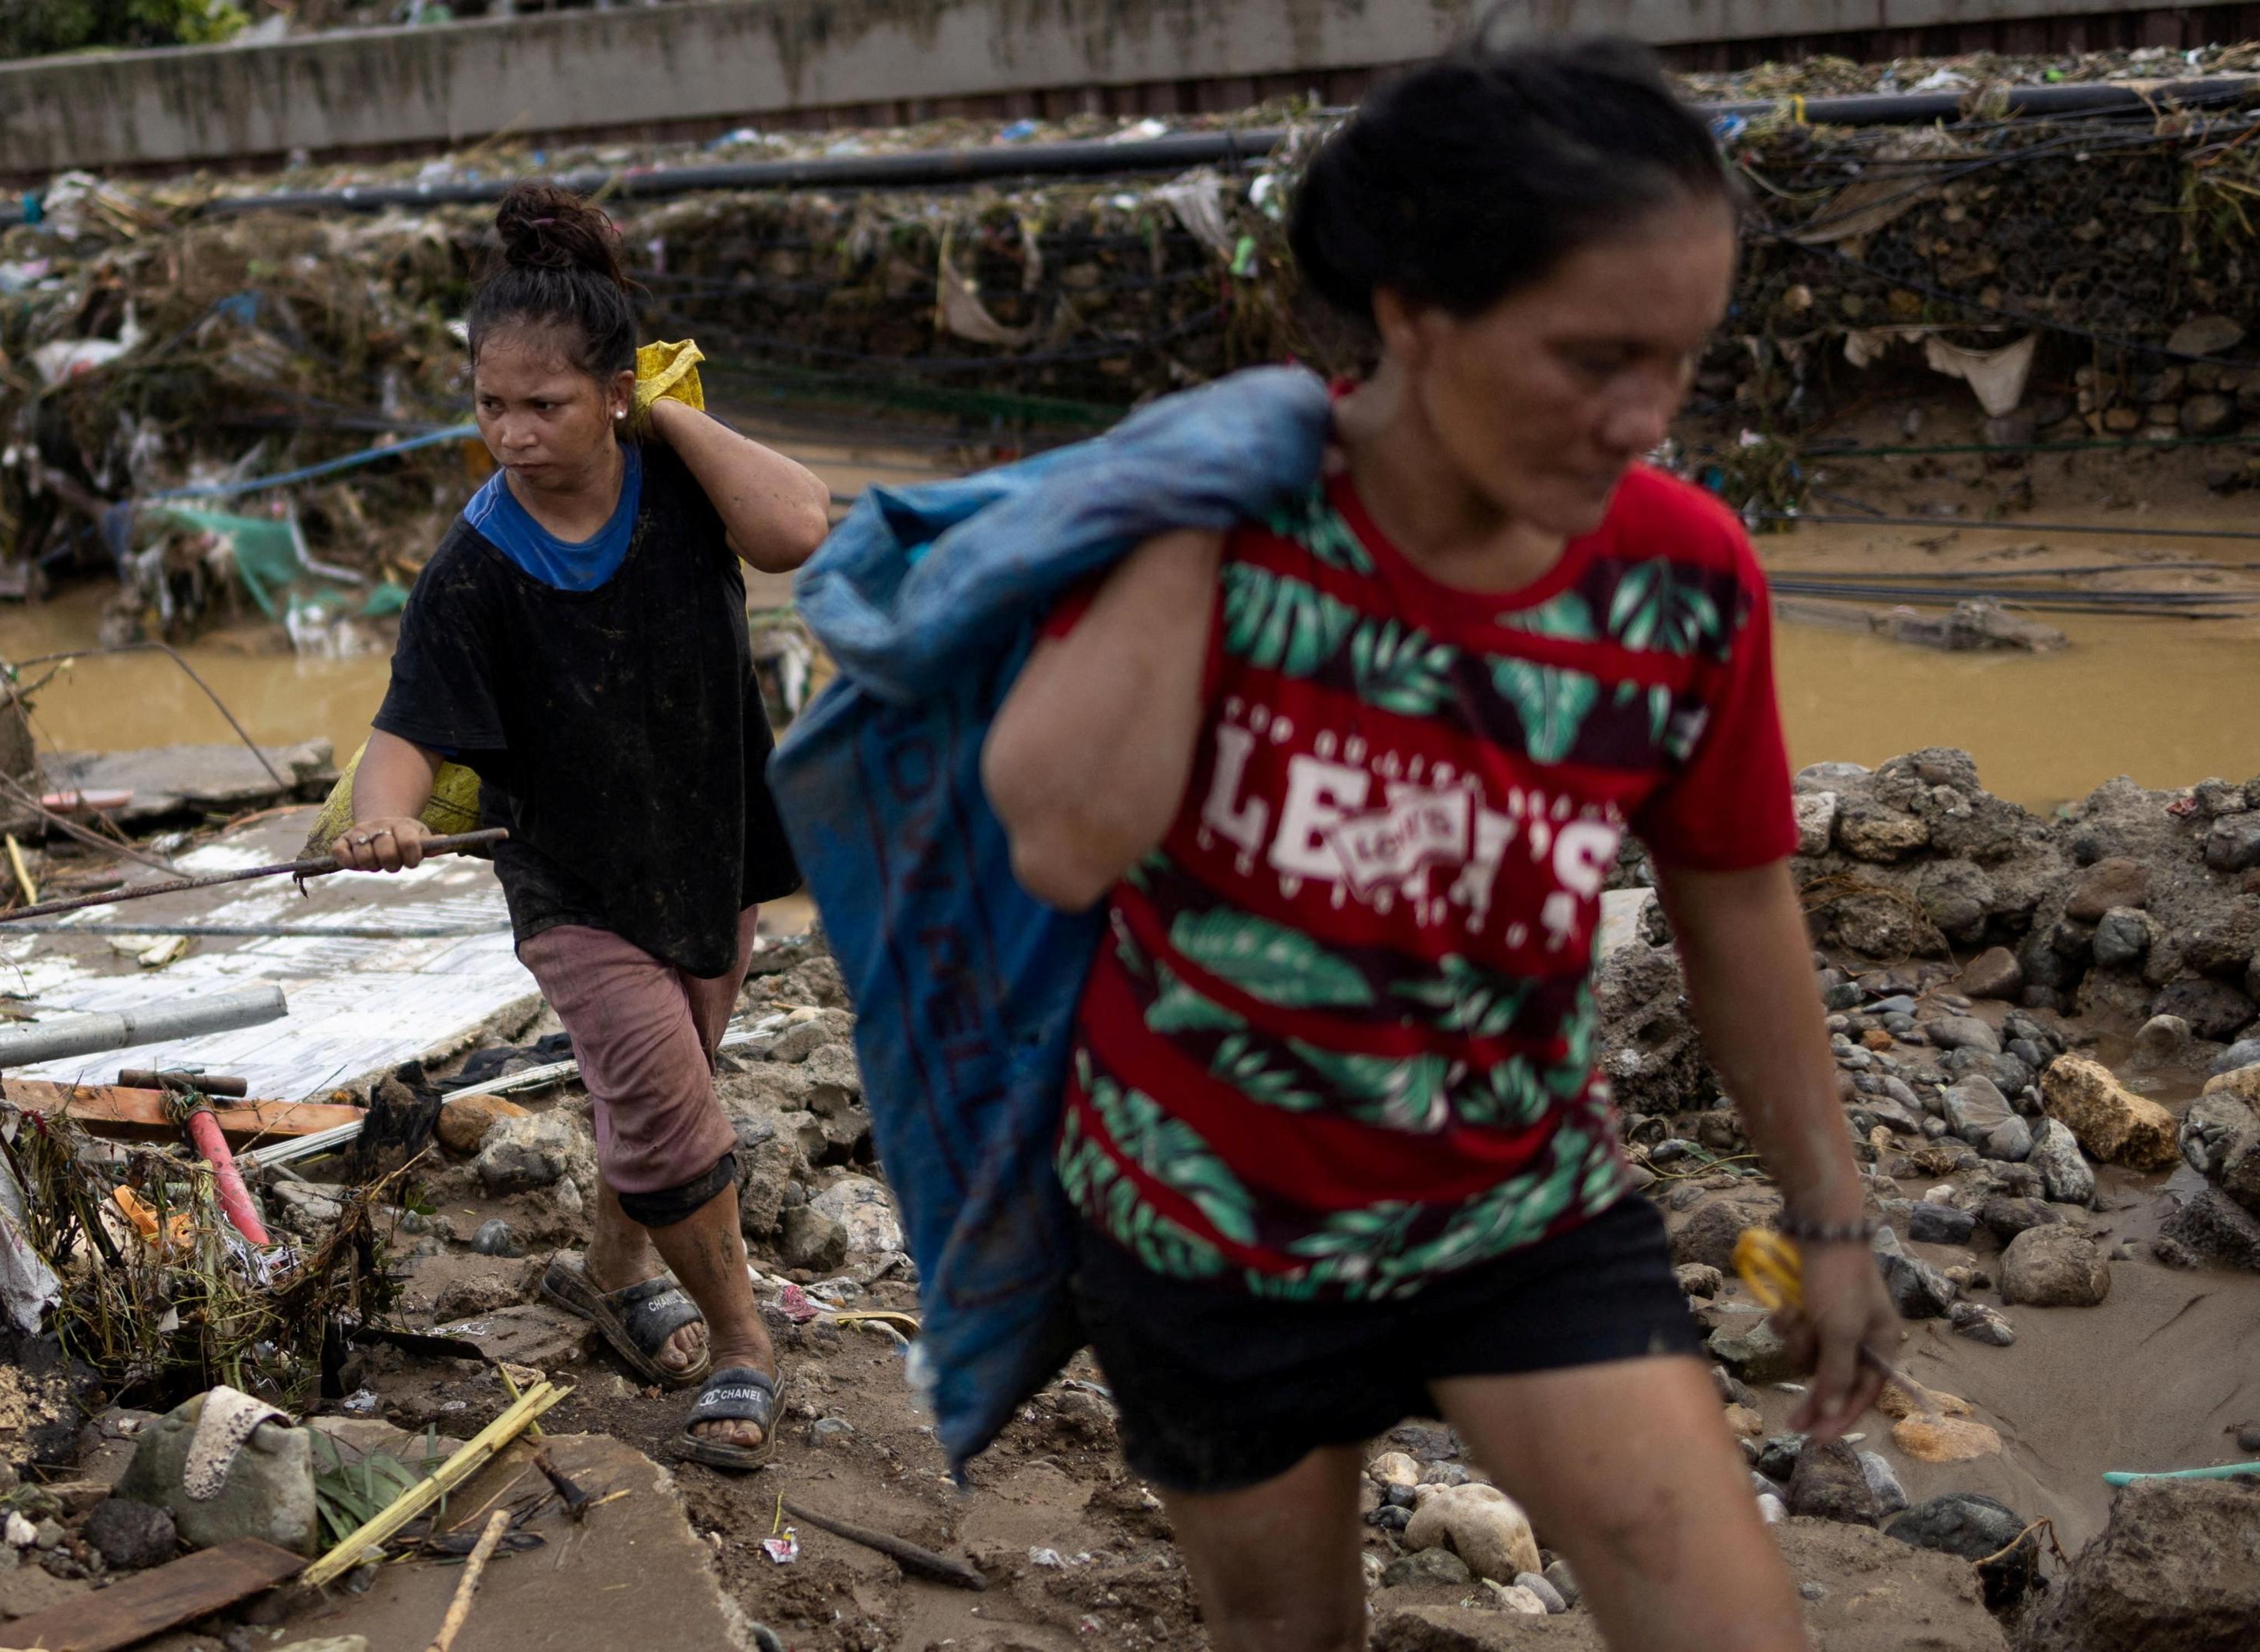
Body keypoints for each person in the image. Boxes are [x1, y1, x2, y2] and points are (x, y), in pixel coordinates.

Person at [978, 37, 1899, 1652]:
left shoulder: (1680, 581)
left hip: (1518, 1209)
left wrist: (1830, 1219)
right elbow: (1061, 842)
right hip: (1202, 1231)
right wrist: (1197, 504)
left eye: (1679, 359)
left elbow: (1738, 897)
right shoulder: (1221, 521)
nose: (1644, 418)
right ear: (1413, 309)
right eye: (1593, 356)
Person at [334, 182, 832, 1469]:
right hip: (572, 879)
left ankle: (614, 1277)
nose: (510, 433)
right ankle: (741, 1346)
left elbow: (796, 529)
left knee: (671, 1080)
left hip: (712, 847)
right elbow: (406, 738)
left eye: (544, 404)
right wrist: (383, 824)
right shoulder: (476, 568)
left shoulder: (680, 480)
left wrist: (668, 416)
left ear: (616, 393)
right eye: (490, 406)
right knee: (668, 1107)